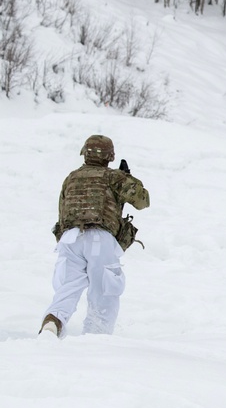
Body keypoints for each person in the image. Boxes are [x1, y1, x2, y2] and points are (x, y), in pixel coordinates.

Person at [39, 135, 150, 337]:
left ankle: (53, 322)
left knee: (67, 288)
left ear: (85, 153)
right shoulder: (113, 177)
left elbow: (62, 213)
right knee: (104, 291)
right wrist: (127, 177)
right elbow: (143, 201)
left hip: (70, 239)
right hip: (100, 239)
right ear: (110, 156)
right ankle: (96, 338)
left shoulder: (71, 178)